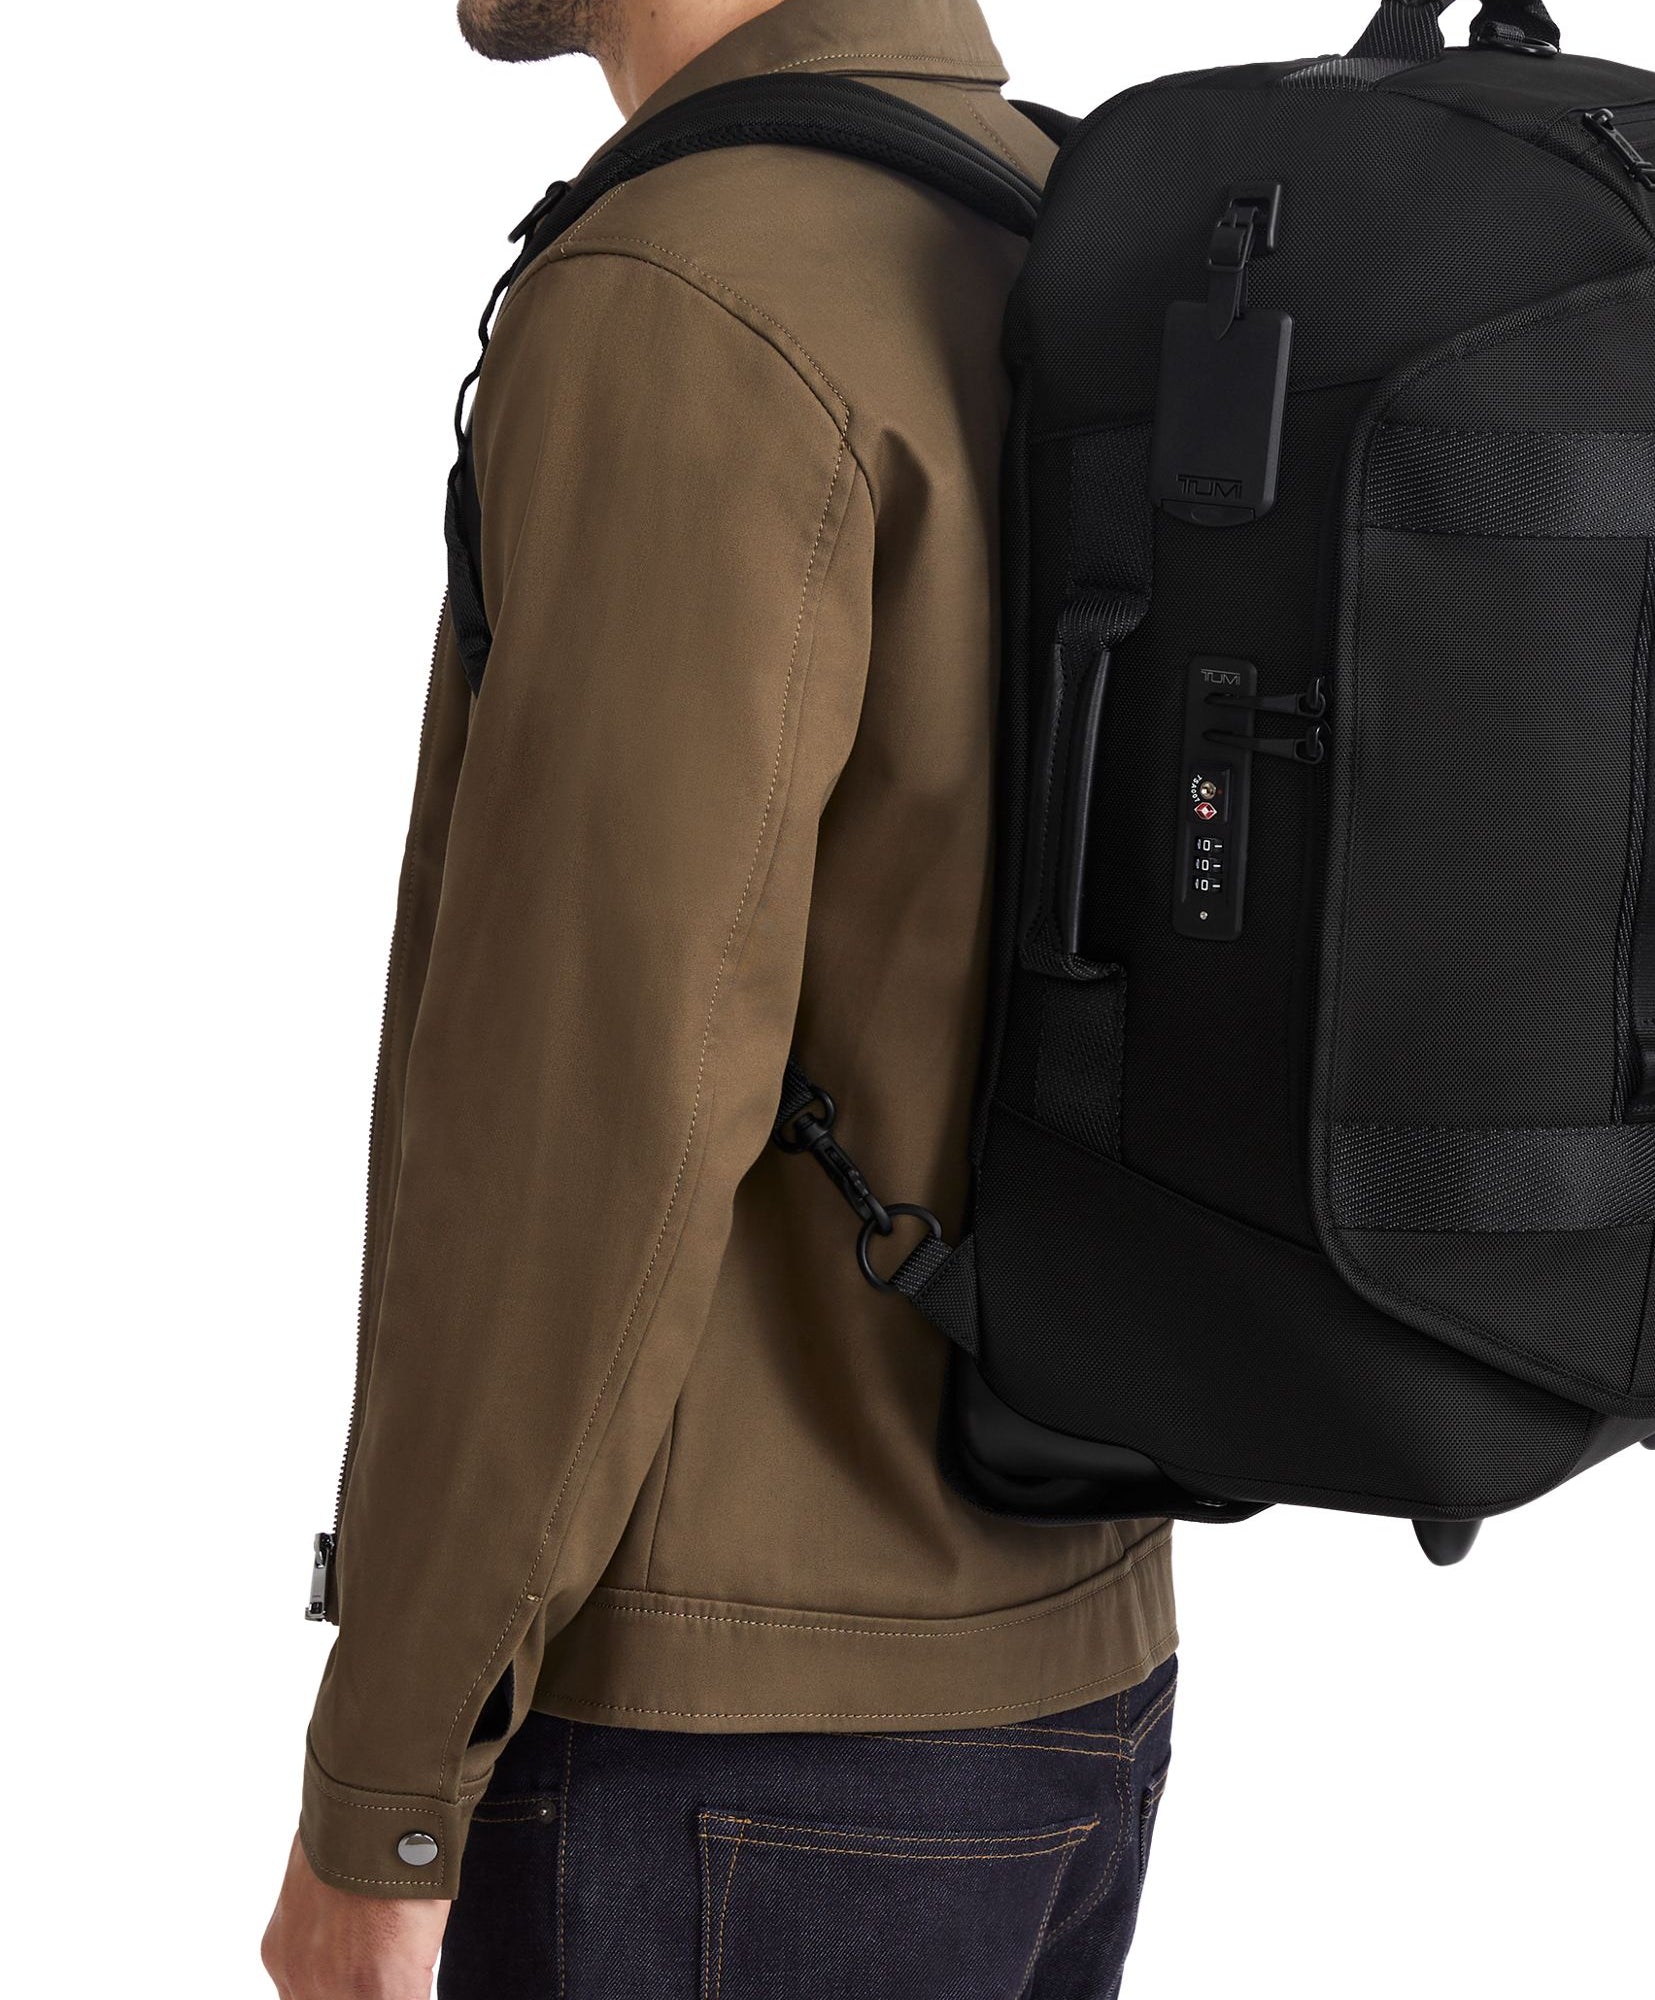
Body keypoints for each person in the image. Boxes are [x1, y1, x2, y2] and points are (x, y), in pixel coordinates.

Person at [259, 2, 1177, 1995]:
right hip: (1067, 1675)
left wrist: (389, 1786)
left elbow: (594, 1104)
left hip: (715, 1753)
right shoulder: (1062, 210)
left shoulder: (687, 290)